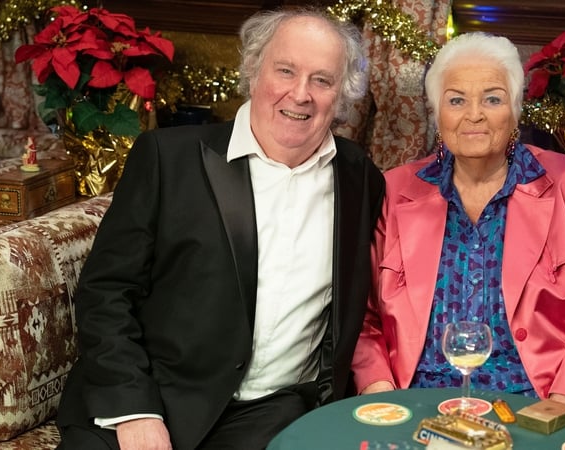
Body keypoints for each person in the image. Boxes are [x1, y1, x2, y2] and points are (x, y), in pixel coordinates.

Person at [56, 7, 384, 450]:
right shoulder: (166, 158)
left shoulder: (360, 178)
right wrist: (135, 409)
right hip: (150, 397)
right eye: (285, 70)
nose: (300, 94)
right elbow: (106, 292)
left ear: (341, 97)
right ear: (253, 71)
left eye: (322, 80)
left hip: (272, 411)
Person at [351, 32, 565, 450]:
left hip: (544, 393)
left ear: (515, 110)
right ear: (436, 114)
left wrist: (561, 404)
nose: (474, 115)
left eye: (492, 98)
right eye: (456, 100)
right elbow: (361, 318)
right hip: (421, 399)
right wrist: (381, 395)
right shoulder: (395, 191)